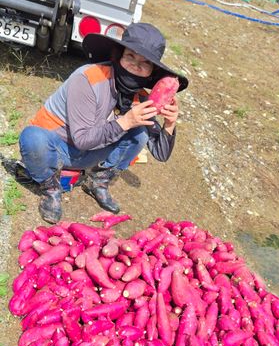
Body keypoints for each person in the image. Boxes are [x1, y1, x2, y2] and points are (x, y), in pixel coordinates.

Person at [17, 22, 188, 223]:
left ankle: (97, 181)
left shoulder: (139, 97)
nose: (135, 65)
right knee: (32, 137)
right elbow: (81, 139)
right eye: (130, 56)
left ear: (151, 72)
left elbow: (160, 153)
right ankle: (51, 189)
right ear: (118, 56)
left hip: (89, 154)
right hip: (57, 148)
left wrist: (169, 123)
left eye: (145, 63)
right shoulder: (88, 78)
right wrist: (125, 121)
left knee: (140, 133)